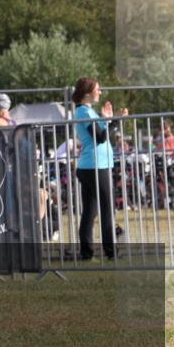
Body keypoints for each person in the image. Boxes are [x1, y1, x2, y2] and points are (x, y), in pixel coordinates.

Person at [72, 77, 128, 261]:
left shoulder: (87, 112)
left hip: (93, 166)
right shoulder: (84, 113)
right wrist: (114, 121)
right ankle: (111, 251)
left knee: (91, 210)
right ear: (87, 92)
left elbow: (101, 134)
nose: (101, 92)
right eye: (98, 89)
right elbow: (100, 138)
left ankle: (86, 252)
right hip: (95, 166)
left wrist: (110, 120)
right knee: (106, 209)